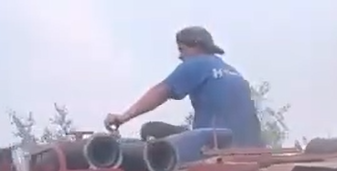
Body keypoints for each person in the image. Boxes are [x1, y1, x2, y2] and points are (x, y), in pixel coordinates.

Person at [104, 26, 264, 148]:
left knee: (150, 130)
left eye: (182, 49)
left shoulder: (197, 63)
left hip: (213, 144)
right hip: (251, 146)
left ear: (197, 46)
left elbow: (161, 91)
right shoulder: (233, 71)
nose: (180, 56)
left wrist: (124, 117)